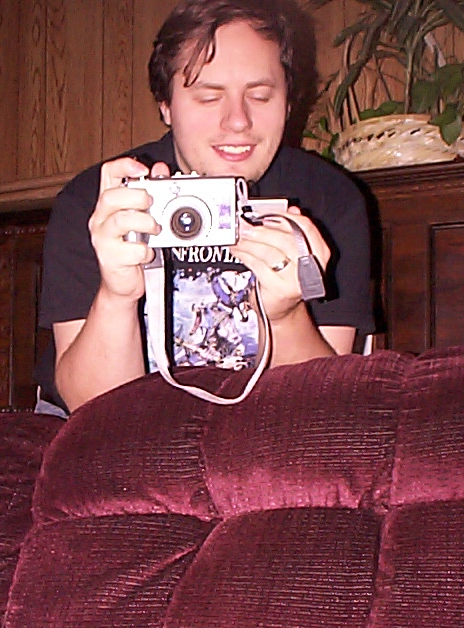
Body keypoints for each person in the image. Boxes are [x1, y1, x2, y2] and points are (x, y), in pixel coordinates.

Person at [38, 0, 374, 414]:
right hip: (120, 430)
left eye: (261, 96)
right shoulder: (102, 201)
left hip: (264, 432)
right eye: (208, 97)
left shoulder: (327, 200)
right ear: (166, 104)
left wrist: (286, 316)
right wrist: (117, 296)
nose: (238, 121)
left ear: (288, 102)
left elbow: (321, 408)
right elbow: (90, 411)